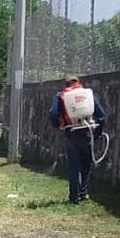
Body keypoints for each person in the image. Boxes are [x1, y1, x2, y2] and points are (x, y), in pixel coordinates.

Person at [47, 75, 106, 204]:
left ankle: (75, 197)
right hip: (88, 132)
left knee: (75, 166)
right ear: (78, 82)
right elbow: (101, 115)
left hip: (72, 133)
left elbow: (53, 113)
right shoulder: (87, 95)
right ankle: (83, 193)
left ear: (66, 84)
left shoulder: (61, 96)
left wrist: (58, 125)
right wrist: (97, 134)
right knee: (86, 165)